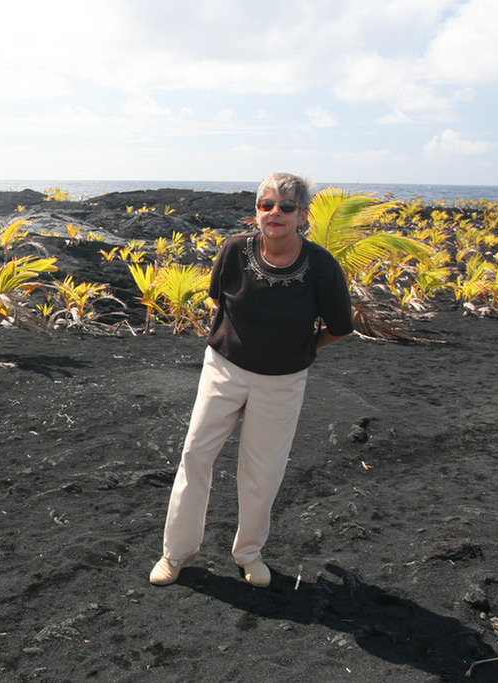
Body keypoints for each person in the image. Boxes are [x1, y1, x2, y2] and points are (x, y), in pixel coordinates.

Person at [149, 172, 354, 588]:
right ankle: (176, 552)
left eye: (286, 206)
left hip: (282, 381)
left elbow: (339, 325)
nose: (275, 213)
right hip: (224, 368)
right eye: (266, 205)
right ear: (256, 211)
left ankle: (249, 554)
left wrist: (303, 349)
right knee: (195, 454)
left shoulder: (320, 267)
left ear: (302, 216)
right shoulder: (234, 251)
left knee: (262, 472)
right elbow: (217, 298)